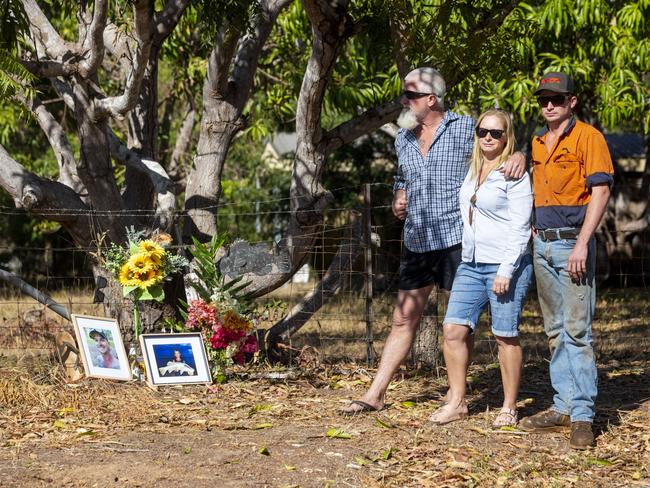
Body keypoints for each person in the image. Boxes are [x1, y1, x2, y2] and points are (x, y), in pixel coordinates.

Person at [341, 67, 526, 415]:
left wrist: (520, 156)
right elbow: (402, 175)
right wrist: (399, 193)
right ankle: (375, 394)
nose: (403, 100)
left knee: (459, 323)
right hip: (417, 238)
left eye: (410, 95)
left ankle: (459, 395)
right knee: (402, 319)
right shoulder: (403, 138)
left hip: (456, 240)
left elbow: (499, 142)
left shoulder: (463, 128)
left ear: (431, 99)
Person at [518, 72, 613, 450]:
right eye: (544, 99)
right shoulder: (538, 141)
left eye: (556, 99)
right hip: (542, 245)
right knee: (555, 331)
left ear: (572, 101)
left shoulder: (589, 137)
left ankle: (583, 416)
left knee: (578, 332)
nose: (549, 105)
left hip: (573, 246)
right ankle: (563, 405)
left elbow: (601, 191)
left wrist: (582, 245)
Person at [429, 109, 533, 427]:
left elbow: (520, 226)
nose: (488, 137)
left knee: (504, 335)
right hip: (471, 263)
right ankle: (458, 401)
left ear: (506, 137)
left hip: (505, 264)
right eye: (482, 131)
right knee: (453, 330)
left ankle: (509, 406)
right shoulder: (473, 169)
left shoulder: (514, 173)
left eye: (496, 133)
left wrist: (506, 270)